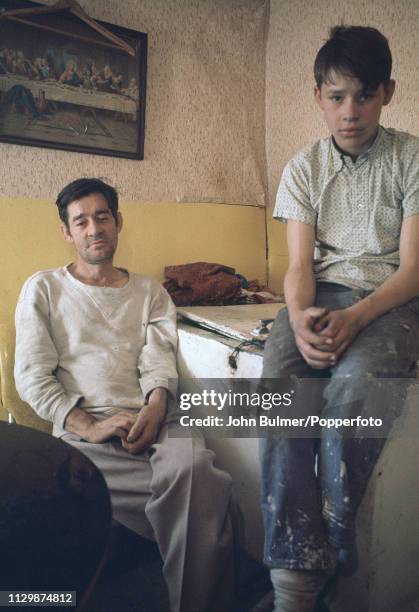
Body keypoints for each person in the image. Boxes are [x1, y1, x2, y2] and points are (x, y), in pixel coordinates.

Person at [14, 178, 236, 612]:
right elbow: (33, 377)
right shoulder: (44, 289)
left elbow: (159, 359)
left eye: (102, 217)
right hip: (86, 436)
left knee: (195, 471)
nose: (94, 228)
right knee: (208, 505)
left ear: (118, 222)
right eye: (81, 221)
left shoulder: (150, 292)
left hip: (154, 422)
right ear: (67, 233)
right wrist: (90, 426)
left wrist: (156, 406)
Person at [260, 25, 419, 611]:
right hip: (320, 292)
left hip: (391, 298)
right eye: (335, 97)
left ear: (388, 92)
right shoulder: (303, 168)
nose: (349, 112)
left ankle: (327, 557)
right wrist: (300, 316)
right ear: (317, 96)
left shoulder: (413, 158)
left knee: (355, 390)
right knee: (278, 394)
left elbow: (414, 270)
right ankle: (293, 583)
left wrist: (356, 319)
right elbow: (299, 263)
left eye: (364, 96)